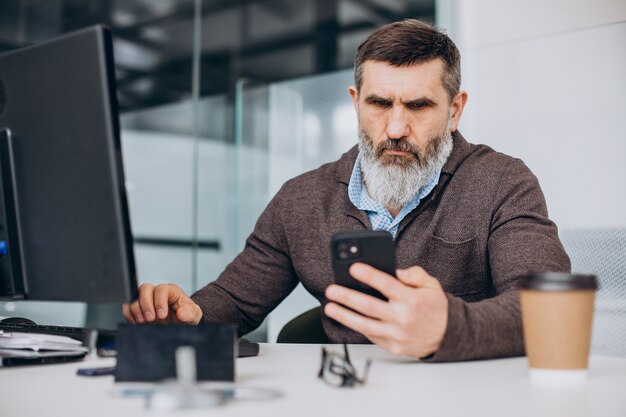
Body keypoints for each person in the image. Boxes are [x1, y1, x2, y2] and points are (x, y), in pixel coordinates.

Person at [123, 19, 570, 362]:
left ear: (455, 110)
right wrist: (191, 314)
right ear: (356, 102)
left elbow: (552, 309)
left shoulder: (503, 183)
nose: (396, 128)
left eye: (418, 106)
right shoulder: (302, 199)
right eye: (379, 104)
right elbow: (236, 301)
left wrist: (449, 326)